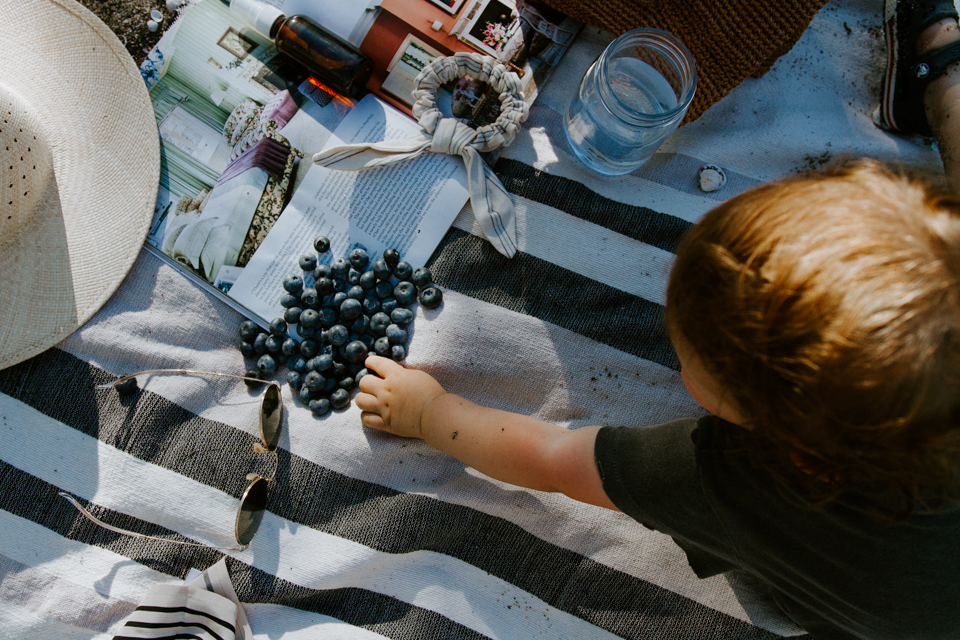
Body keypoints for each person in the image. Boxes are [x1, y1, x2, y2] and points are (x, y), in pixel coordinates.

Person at [354, 2, 960, 638]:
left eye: (692, 352)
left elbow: (552, 457)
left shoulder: (737, 482)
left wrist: (428, 413)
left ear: (791, 445)